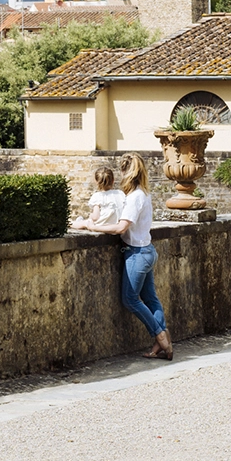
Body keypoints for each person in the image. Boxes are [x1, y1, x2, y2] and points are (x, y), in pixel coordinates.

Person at [73, 153, 172, 360]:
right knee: (151, 299)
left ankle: (160, 335)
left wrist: (91, 226)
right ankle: (162, 343)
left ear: (125, 172)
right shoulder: (143, 192)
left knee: (130, 299)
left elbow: (121, 227)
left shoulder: (135, 197)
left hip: (137, 254)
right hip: (147, 250)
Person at [72, 166, 124, 230]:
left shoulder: (97, 196)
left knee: (85, 222)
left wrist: (91, 216)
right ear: (113, 180)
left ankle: (70, 223)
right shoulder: (120, 193)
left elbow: (95, 217)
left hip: (102, 225)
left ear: (96, 182)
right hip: (117, 224)